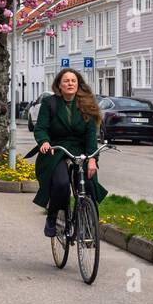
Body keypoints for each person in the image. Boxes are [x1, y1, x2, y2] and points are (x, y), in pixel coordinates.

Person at [34, 68, 107, 238]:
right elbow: (41, 128)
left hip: (81, 151)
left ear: (78, 84)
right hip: (56, 150)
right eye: (66, 81)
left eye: (73, 81)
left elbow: (90, 136)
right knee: (60, 183)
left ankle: (87, 223)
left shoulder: (87, 104)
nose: (70, 84)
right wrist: (44, 141)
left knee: (89, 185)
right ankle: (52, 218)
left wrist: (92, 159)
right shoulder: (50, 103)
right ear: (59, 85)